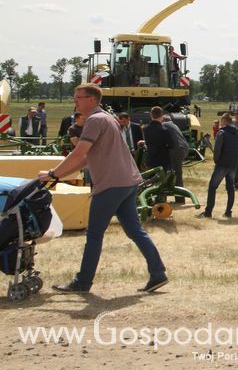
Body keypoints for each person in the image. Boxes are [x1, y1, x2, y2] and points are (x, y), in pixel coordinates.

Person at [40, 83, 167, 293]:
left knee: (94, 235)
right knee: (135, 231)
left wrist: (53, 174)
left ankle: (83, 282)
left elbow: (80, 152)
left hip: (111, 184)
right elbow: (87, 157)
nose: (75, 101)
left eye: (78, 97)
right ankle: (158, 273)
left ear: (91, 99)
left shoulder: (95, 120)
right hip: (127, 182)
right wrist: (58, 175)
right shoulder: (107, 118)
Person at [200, 113, 238, 218]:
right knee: (230, 188)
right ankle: (228, 211)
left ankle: (208, 212)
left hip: (222, 164)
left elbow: (217, 150)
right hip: (233, 164)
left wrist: (217, 161)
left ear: (224, 121)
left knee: (212, 187)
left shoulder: (221, 133)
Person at [142, 106, 173, 172]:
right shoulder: (164, 130)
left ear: (151, 115)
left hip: (150, 159)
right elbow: (171, 144)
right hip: (163, 160)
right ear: (162, 115)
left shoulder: (145, 128)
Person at [163, 116, 189, 188]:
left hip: (177, 150)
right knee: (176, 170)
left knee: (177, 172)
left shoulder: (165, 124)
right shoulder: (174, 125)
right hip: (184, 148)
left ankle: (179, 194)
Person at [68, 112, 91, 185]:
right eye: (82, 118)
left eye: (85, 118)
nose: (84, 119)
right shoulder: (72, 129)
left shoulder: (87, 127)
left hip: (88, 152)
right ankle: (86, 185)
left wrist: (80, 139)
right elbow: (76, 143)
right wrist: (85, 141)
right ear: (77, 119)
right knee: (84, 170)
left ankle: (88, 185)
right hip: (78, 153)